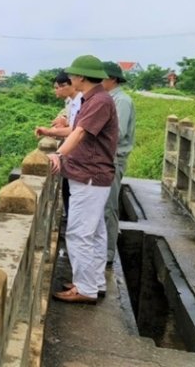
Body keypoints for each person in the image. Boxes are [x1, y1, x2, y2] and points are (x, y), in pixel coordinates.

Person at [49, 55, 118, 304]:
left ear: (80, 77)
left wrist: (58, 154)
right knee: (95, 231)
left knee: (79, 232)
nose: (70, 79)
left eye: (73, 76)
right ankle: (93, 282)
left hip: (90, 175)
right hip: (92, 174)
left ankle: (86, 288)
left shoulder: (98, 101)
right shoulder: (95, 99)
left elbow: (79, 132)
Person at [102, 61, 136, 267]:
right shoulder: (109, 99)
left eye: (101, 78)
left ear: (112, 79)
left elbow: (117, 133)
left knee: (108, 206)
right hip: (106, 158)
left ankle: (108, 252)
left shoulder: (121, 101)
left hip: (113, 159)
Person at [35, 71, 82, 218]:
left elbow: (77, 131)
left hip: (81, 160)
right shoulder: (72, 102)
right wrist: (49, 131)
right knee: (69, 192)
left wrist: (58, 153)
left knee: (76, 199)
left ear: (69, 85)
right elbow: (74, 128)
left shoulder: (82, 101)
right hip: (75, 157)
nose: (55, 91)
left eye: (57, 87)